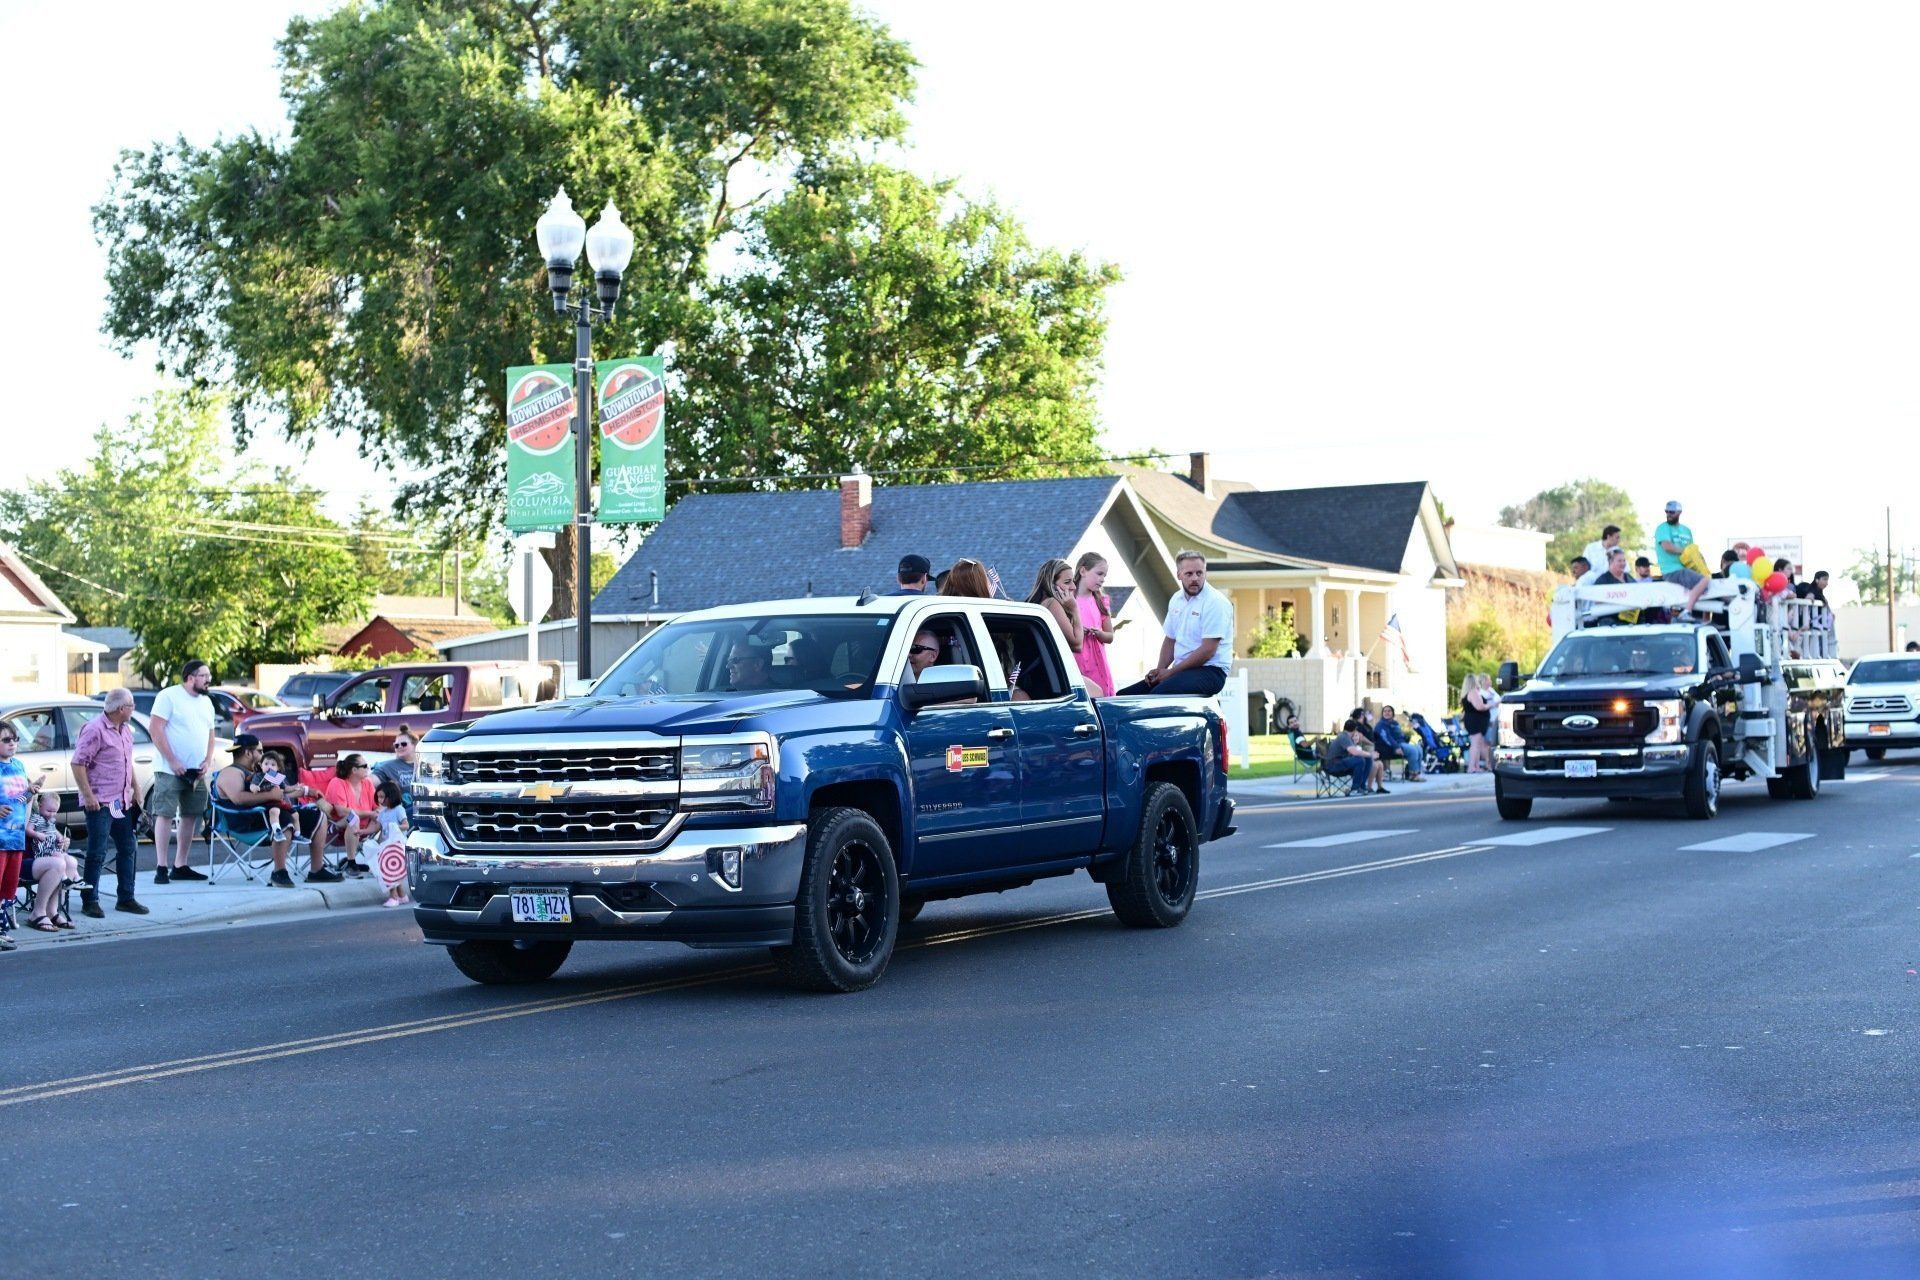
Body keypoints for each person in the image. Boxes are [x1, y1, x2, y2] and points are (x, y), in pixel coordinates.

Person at [215, 735, 337, 887]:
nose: (262, 754)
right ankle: (279, 872)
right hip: (246, 822)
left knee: (317, 816)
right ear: (248, 753)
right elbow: (238, 798)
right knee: (284, 818)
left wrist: (307, 791)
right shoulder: (231, 773)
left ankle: (317, 870)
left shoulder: (265, 772)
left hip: (268, 814)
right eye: (259, 751)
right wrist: (270, 795)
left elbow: (285, 791)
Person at [70, 689, 147, 919]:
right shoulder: (95, 730)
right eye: (131, 705)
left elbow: (127, 761)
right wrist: (88, 795)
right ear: (121, 709)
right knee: (97, 851)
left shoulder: (124, 730)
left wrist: (137, 788)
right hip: (101, 803)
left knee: (128, 846)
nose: (133, 709)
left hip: (119, 801)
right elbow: (78, 763)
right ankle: (90, 899)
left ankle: (126, 897)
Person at [1117, 551, 1234, 697]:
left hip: (1211, 671)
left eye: (1199, 573)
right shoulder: (1176, 599)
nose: (1195, 578)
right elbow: (1170, 639)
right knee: (1123, 696)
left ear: (1205, 573)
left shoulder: (1216, 602)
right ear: (1179, 574)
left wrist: (1170, 672)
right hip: (1182, 671)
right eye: (1189, 574)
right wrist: (1159, 672)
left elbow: (1208, 650)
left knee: (1159, 694)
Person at [148, 657, 217, 884]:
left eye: (208, 676)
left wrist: (207, 760)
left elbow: (210, 733)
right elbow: (155, 730)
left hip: (196, 772)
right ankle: (161, 867)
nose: (208, 680)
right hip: (170, 770)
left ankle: (181, 865)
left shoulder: (206, 702)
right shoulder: (168, 696)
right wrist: (173, 760)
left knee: (191, 815)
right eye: (204, 676)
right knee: (165, 814)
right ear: (190, 678)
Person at [0, 723, 41, 949]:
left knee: (8, 887)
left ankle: (2, 927)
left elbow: (20, 800)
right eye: (6, 740)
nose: (12, 743)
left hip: (15, 838)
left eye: (15, 739)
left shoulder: (19, 765)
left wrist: (30, 792)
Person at [22, 792, 81, 931]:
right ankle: (38, 912)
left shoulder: (42, 816)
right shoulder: (18, 812)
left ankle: (52, 911)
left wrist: (63, 840)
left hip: (41, 858)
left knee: (70, 862)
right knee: (57, 864)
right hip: (20, 860)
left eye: (34, 793)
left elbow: (54, 834)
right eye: (30, 792)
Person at [321, 755, 380, 875]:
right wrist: (370, 813)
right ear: (354, 770)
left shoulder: (367, 783)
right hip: (338, 825)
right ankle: (351, 862)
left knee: (385, 815)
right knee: (353, 817)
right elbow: (341, 811)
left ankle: (383, 859)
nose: (368, 768)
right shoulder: (337, 782)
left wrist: (378, 813)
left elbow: (377, 807)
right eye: (364, 766)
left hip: (365, 828)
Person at [1072, 553, 1120, 698]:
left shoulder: (1101, 601)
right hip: (1076, 657)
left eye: (1104, 575)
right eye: (1099, 573)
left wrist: (1098, 633)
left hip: (1096, 661)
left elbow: (1110, 636)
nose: (1102, 579)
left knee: (1100, 696)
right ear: (1083, 571)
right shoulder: (1068, 600)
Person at [1026, 559, 1084, 656]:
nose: (1073, 587)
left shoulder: (1039, 604)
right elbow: (1077, 645)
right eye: (1067, 582)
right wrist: (1075, 610)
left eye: (1073, 581)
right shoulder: (1052, 603)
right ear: (1052, 585)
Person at [373, 779, 410, 908]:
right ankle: (402, 895)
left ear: (391, 796)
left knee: (390, 871)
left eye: (382, 797)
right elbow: (377, 828)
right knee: (392, 870)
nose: (380, 799)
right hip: (385, 845)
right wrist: (361, 831)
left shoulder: (398, 810)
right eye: (378, 797)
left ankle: (393, 897)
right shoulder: (382, 813)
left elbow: (406, 825)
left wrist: (395, 827)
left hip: (396, 845)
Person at [373, 727, 420, 823]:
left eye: (403, 744)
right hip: (403, 812)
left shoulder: (424, 765)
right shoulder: (388, 766)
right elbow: (369, 782)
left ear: (415, 745)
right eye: (396, 745)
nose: (399, 747)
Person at [1320, 721, 1374, 796]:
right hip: (1333, 765)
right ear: (1355, 729)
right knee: (1360, 760)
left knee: (1367, 759)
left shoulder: (1346, 737)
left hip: (1340, 763)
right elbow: (1354, 752)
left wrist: (1368, 756)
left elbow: (1354, 752)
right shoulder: (1343, 737)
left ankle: (1361, 786)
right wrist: (1370, 754)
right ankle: (1355, 789)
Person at [1374, 705, 1424, 781]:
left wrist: (1406, 737)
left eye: (1389, 711)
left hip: (1401, 743)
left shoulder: (1395, 723)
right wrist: (1396, 747)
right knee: (1413, 751)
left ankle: (1417, 773)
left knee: (1419, 749)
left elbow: (1399, 735)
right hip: (1391, 747)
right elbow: (1387, 737)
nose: (1387, 713)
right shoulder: (1381, 724)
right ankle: (1413, 774)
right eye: (1385, 711)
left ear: (1393, 713)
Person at [1462, 674, 1494, 773]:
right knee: (1476, 744)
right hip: (1476, 721)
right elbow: (1480, 707)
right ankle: (1472, 767)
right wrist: (1491, 704)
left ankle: (1475, 767)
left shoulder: (1467, 693)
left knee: (1477, 744)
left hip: (1473, 720)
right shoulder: (1473, 692)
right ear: (1473, 682)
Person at [1654, 501, 1694, 577]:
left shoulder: (1687, 530)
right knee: (1703, 581)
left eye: (1672, 512)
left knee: (1706, 579)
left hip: (1687, 569)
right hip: (1671, 571)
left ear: (1679, 512)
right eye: (1666, 511)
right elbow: (1667, 547)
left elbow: (1692, 551)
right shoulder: (1662, 527)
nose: (1668, 514)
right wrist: (1686, 551)